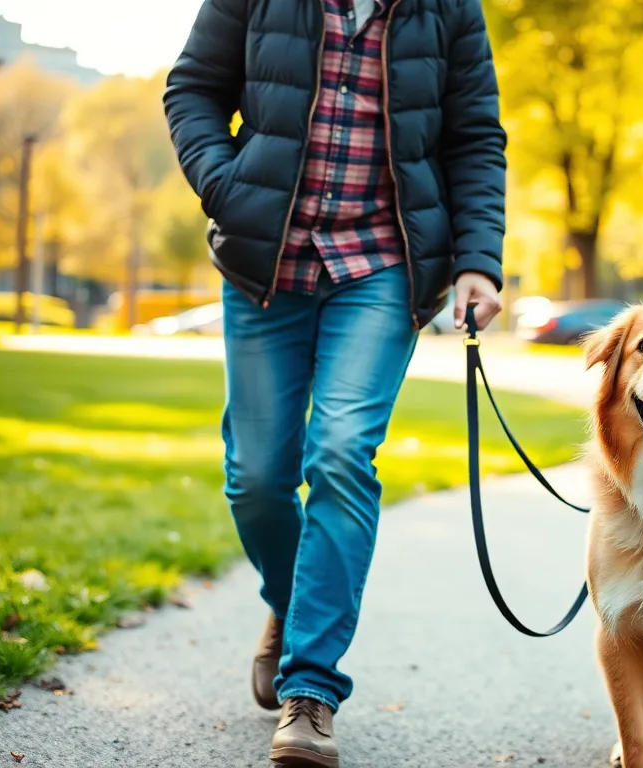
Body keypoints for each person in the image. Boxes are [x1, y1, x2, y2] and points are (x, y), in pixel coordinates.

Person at [163, 0, 505, 764]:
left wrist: (479, 258)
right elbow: (192, 88)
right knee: (255, 477)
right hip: (266, 261)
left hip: (382, 265)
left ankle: (310, 691)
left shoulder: (449, 9)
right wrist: (227, 185)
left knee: (344, 454)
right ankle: (293, 610)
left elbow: (475, 137)